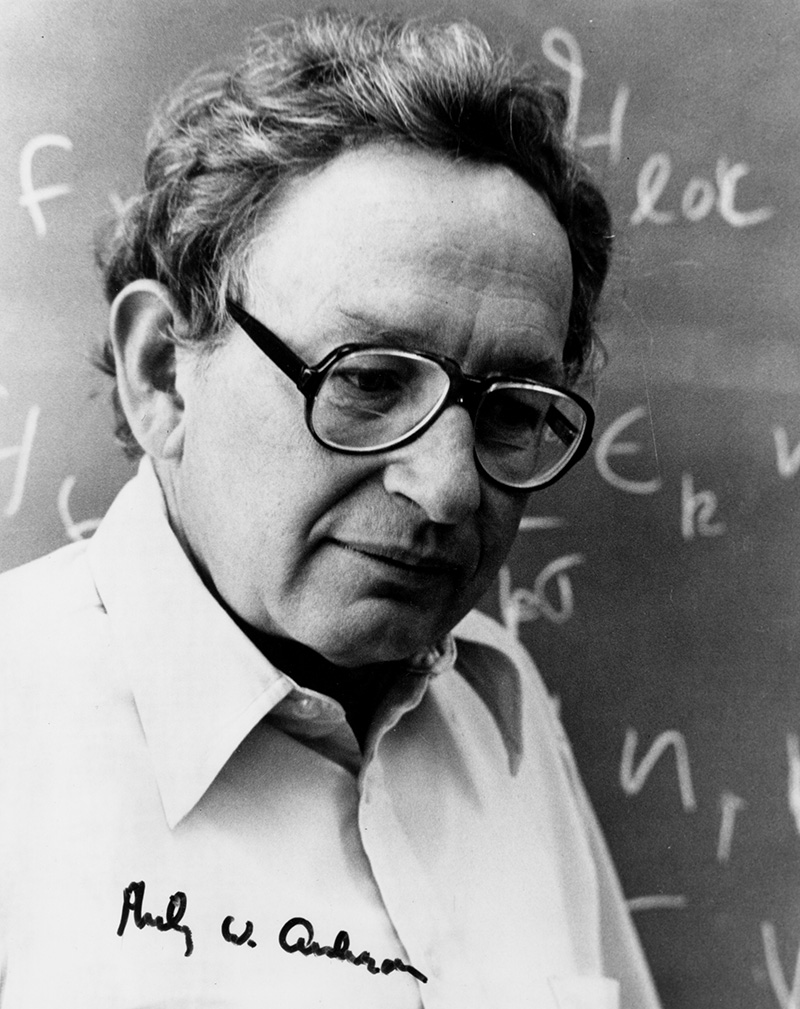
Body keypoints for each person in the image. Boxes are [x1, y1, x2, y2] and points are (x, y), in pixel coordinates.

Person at [0, 11, 661, 1009]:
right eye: (368, 381)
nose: (447, 487)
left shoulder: (503, 715)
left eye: (510, 410)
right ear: (163, 372)